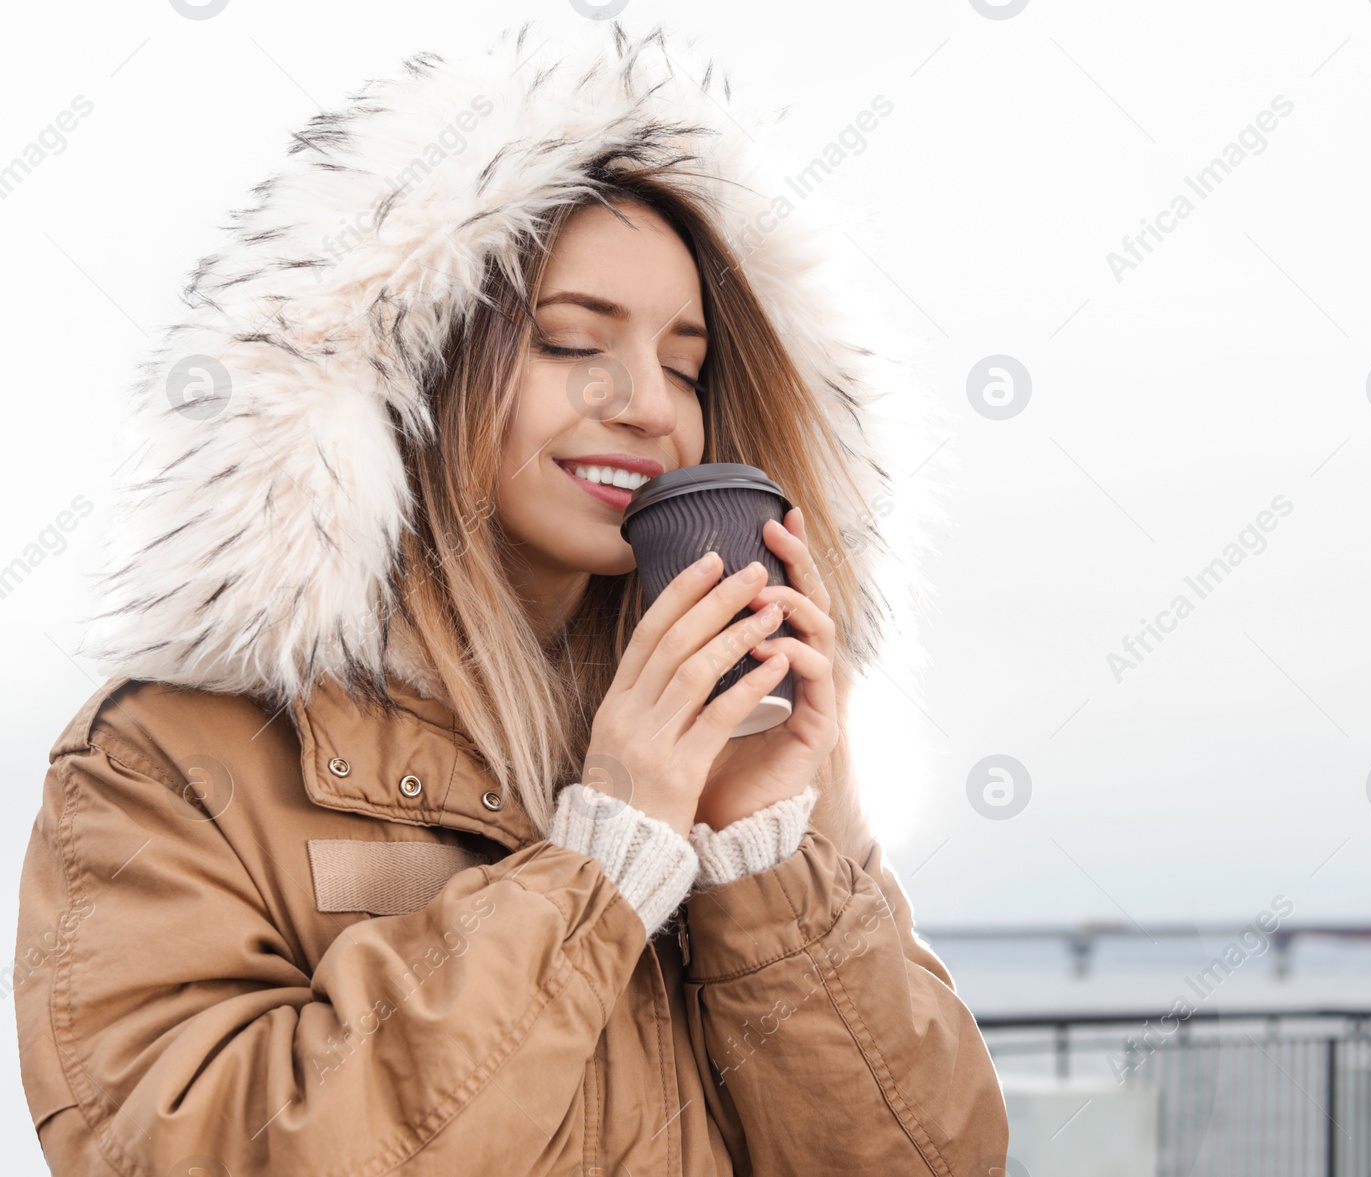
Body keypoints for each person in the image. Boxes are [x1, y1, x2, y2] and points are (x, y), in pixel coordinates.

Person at [13, 18, 1008, 1176]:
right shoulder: (169, 760)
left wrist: (759, 859)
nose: (648, 406)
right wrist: (603, 862)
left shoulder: (752, 754)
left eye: (685, 366)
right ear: (409, 362)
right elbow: (194, 1153)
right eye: (572, 340)